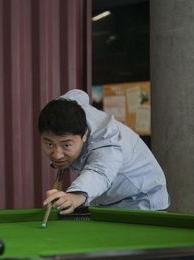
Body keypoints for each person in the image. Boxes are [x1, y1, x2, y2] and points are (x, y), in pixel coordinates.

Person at [38, 89, 170, 215]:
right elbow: (78, 94)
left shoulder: (106, 141)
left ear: (84, 135)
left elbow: (100, 171)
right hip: (109, 201)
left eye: (66, 145)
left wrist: (74, 197)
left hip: (142, 200)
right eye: (49, 144)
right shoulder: (68, 108)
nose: (57, 154)